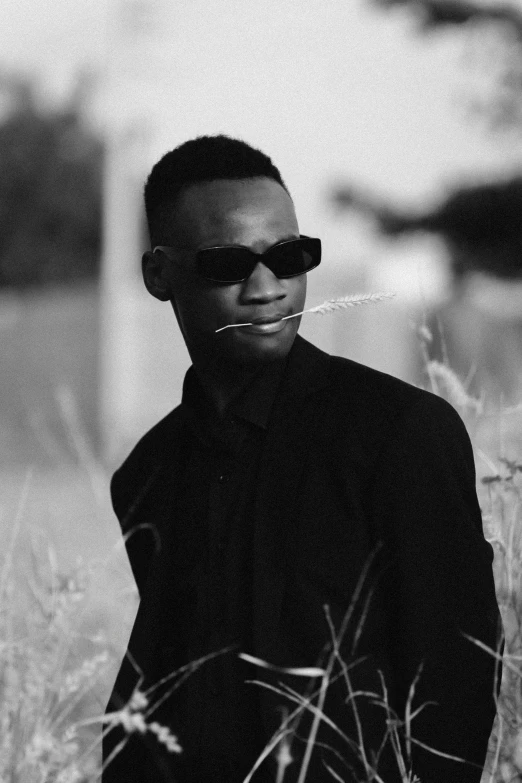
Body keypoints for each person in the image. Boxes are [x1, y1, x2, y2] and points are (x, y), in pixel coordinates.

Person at [103, 134, 501, 783]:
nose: (267, 287)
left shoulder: (400, 433)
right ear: (158, 273)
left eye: (289, 256)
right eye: (227, 262)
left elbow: (455, 681)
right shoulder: (149, 473)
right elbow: (167, 683)